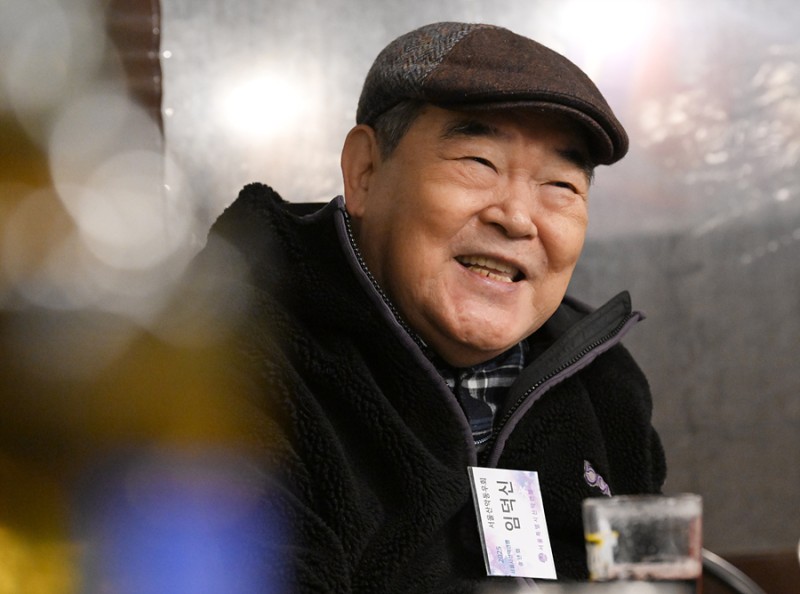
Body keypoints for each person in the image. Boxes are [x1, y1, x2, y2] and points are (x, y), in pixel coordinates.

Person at [197, 21, 666, 593]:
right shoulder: (229, 358)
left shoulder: (604, 385)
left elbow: (653, 581)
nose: (517, 218)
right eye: (478, 161)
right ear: (365, 171)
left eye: (561, 186)